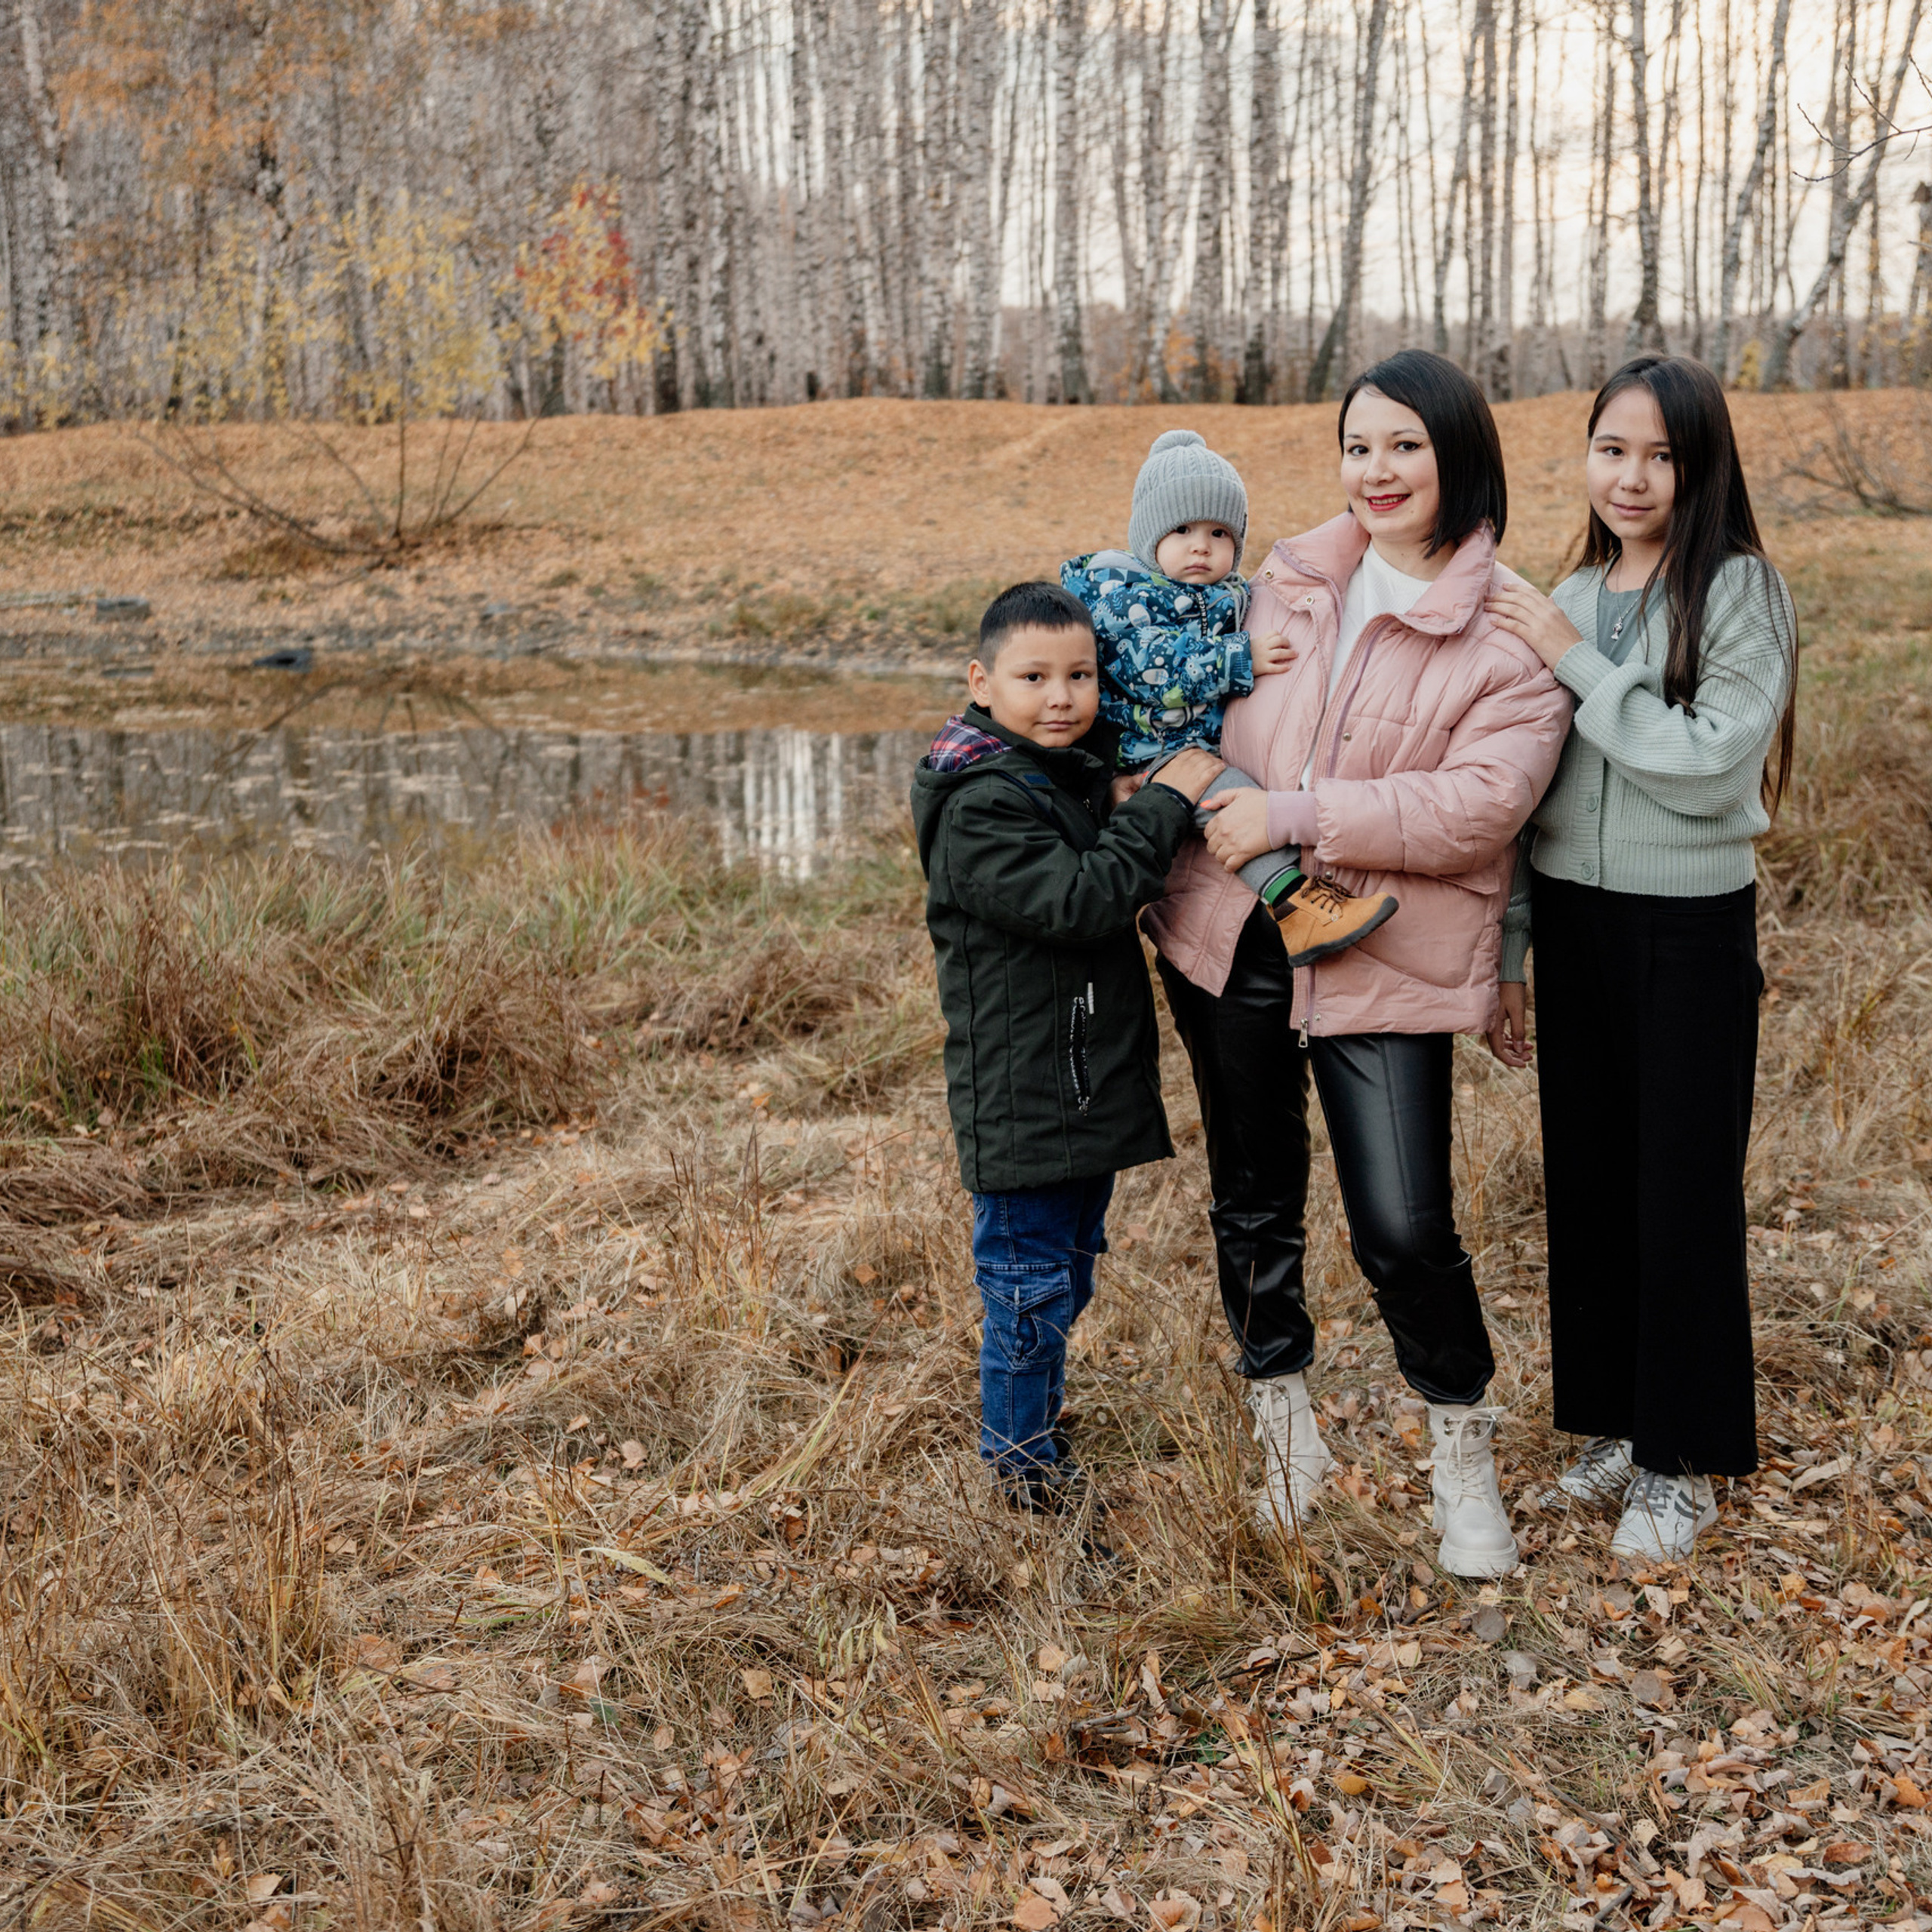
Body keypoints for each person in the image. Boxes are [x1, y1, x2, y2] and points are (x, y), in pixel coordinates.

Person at [1142, 349, 1570, 1578]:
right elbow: (1172, 687)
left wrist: (1296, 813)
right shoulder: (1284, 583)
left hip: (1378, 952)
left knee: (1403, 1222)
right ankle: (1285, 1432)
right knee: (1253, 1194)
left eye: (1405, 447)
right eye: (1358, 446)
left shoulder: (1506, 631)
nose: (1376, 472)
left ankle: (1461, 1455)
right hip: (1228, 935)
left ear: (1459, 458)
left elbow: (1479, 806)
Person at [1485, 355, 1797, 1565]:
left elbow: (1711, 758)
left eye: (1661, 454)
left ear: (1701, 462)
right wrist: (1511, 946)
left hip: (1688, 928)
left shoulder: (1738, 591)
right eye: (1613, 449)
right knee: (1597, 1181)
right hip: (1572, 922)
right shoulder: (1570, 587)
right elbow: (1526, 783)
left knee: (1681, 1189)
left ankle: (1684, 1461)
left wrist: (1570, 652)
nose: (1633, 475)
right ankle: (1617, 1423)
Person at [910, 580, 1224, 1512]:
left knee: (1065, 1268)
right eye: (1034, 676)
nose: (1061, 696)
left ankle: (1032, 1426)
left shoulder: (1051, 774)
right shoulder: (979, 803)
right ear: (981, 679)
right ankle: (1019, 1473)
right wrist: (1163, 799)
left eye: (1079, 675)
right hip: (1025, 1092)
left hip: (1070, 1078)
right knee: (1025, 1286)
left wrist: (1121, 787)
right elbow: (1084, 897)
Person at [1062, 429, 1398, 968]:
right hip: (1153, 747)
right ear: (1149, 538)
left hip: (1194, 742)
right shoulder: (1127, 600)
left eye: (1220, 532)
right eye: (1183, 530)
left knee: (1235, 796)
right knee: (1232, 801)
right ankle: (1297, 905)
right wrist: (1235, 659)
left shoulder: (1230, 594)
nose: (1202, 545)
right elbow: (1155, 669)